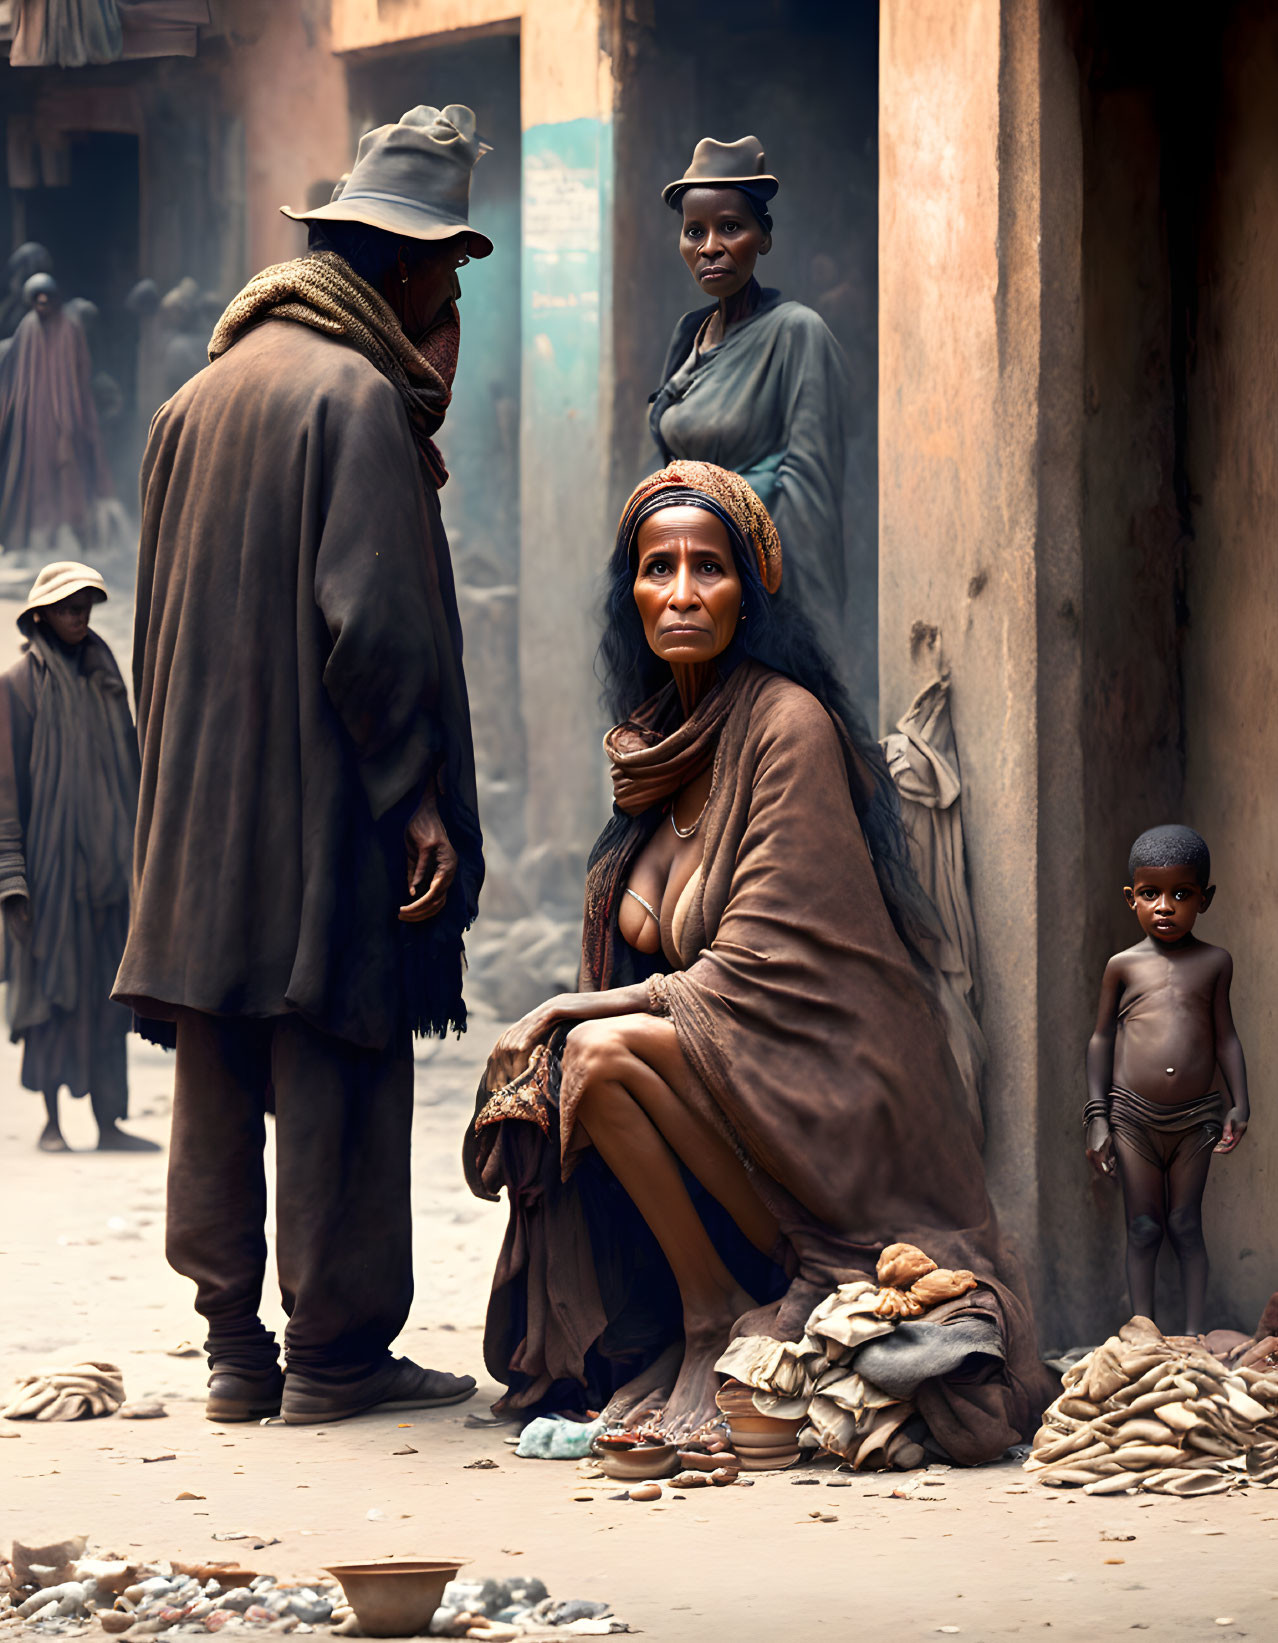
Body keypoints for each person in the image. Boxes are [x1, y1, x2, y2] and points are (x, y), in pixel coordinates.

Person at [465, 459, 1047, 1465]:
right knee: (588, 1062)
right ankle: (698, 1317)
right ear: (630, 592)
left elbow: (762, 971)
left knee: (594, 1053)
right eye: (657, 568)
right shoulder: (657, 743)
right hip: (729, 1099)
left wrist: (569, 1005)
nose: (682, 592)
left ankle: (714, 1321)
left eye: (708, 567)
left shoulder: (789, 724)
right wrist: (579, 1010)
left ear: (750, 591)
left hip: (833, 1107)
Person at [112, 105, 489, 1426]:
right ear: (398, 273)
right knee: (335, 1060)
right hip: (321, 812)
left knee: (217, 1065)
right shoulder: (355, 400)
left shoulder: (193, 400)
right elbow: (374, 636)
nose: (452, 307)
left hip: (197, 819)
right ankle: (334, 1353)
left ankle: (234, 1352)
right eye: (446, 280)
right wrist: (419, 797)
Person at [649, 138, 852, 659]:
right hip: (685, 587)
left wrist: (797, 633)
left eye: (730, 228)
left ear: (763, 237)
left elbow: (809, 494)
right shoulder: (689, 335)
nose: (709, 246)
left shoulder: (797, 334)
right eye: (695, 231)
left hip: (753, 598)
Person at [0, 563, 152, 1153]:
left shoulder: (105, 673)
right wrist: (12, 877)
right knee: (53, 996)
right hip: (50, 872)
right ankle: (52, 1123)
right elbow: (6, 790)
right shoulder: (16, 685)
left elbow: (132, 767)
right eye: (67, 607)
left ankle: (109, 1121)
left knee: (106, 1000)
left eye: (86, 605)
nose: (79, 616)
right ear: (40, 615)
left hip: (110, 870)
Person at [1085, 825, 1250, 1336]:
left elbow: (1225, 1037)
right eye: (1151, 893)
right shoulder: (1122, 967)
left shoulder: (1214, 962)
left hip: (1197, 1116)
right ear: (1131, 897)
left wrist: (1240, 1104)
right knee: (1143, 1226)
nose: (1165, 906)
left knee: (1184, 1224)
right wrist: (1097, 1116)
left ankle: (1197, 1336)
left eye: (1182, 893)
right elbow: (1101, 1041)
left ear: (1205, 898)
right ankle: (1144, 1336)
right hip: (1132, 1114)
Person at [0, 273, 118, 559]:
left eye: (46, 298)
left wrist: (74, 415)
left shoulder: (70, 327)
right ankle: (40, 537)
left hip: (69, 413)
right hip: (35, 416)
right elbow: (12, 363)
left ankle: (76, 535)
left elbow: (80, 370)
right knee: (37, 476)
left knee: (70, 474)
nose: (42, 304)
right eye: (36, 299)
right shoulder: (28, 328)